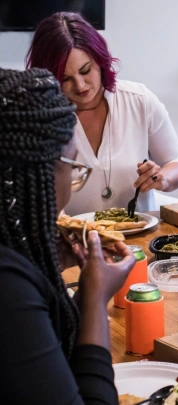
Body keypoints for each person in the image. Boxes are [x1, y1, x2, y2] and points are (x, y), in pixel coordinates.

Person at [0, 67, 137, 404]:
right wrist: (93, 299)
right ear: (39, 172)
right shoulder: (8, 290)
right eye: (74, 167)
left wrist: (46, 276)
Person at [26, 12, 178, 216]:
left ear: (100, 61)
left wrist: (162, 178)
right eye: (65, 78)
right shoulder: (39, 117)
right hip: (73, 241)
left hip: (138, 236)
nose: (80, 85)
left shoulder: (138, 99)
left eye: (85, 71)